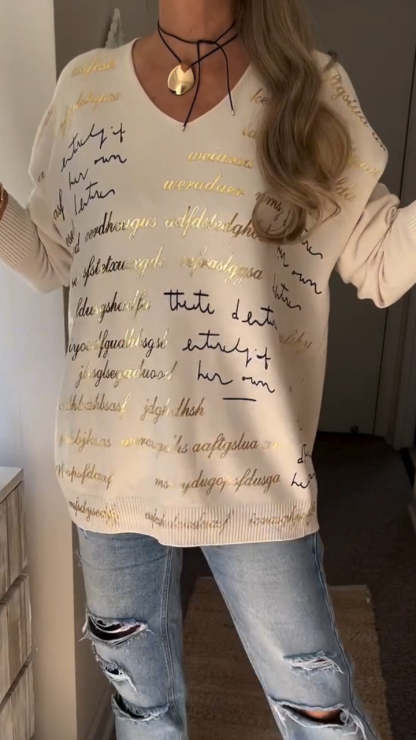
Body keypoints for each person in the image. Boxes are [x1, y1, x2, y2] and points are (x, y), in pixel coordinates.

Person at [2, 0, 416, 737]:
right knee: (143, 715)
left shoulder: (308, 92)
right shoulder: (84, 91)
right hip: (109, 472)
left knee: (319, 715)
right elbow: (53, 259)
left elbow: (382, 260)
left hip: (252, 474)